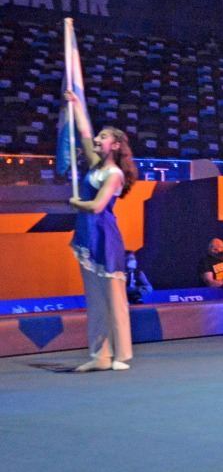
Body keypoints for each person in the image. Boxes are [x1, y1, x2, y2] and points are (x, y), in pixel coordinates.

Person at [65, 90, 137, 372]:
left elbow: (96, 206)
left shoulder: (114, 174)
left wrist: (75, 202)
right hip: (87, 235)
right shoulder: (95, 165)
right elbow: (84, 132)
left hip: (104, 237)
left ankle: (122, 354)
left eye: (103, 137)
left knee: (114, 299)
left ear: (116, 145)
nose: (97, 140)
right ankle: (99, 355)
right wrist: (76, 104)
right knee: (94, 300)